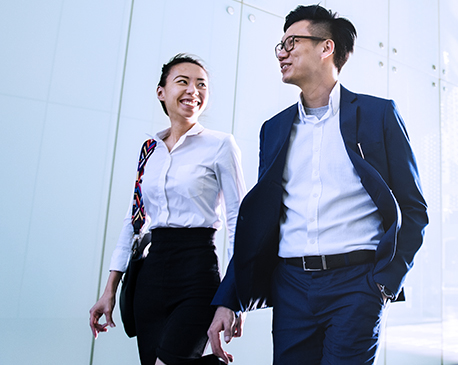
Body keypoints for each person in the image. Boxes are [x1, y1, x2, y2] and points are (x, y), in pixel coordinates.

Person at [208, 4, 428, 364]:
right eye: (279, 45)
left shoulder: (378, 115)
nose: (282, 53)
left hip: (358, 285)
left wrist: (384, 283)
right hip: (291, 287)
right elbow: (261, 225)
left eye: (292, 42)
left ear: (327, 48)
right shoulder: (274, 129)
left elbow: (413, 209)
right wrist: (228, 298)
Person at [89, 54, 246, 365]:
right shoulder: (150, 150)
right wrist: (109, 288)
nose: (194, 91)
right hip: (151, 277)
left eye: (202, 85)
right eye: (183, 82)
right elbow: (133, 220)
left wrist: (233, 298)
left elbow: (238, 220)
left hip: (198, 273)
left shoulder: (221, 145)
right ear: (161, 91)